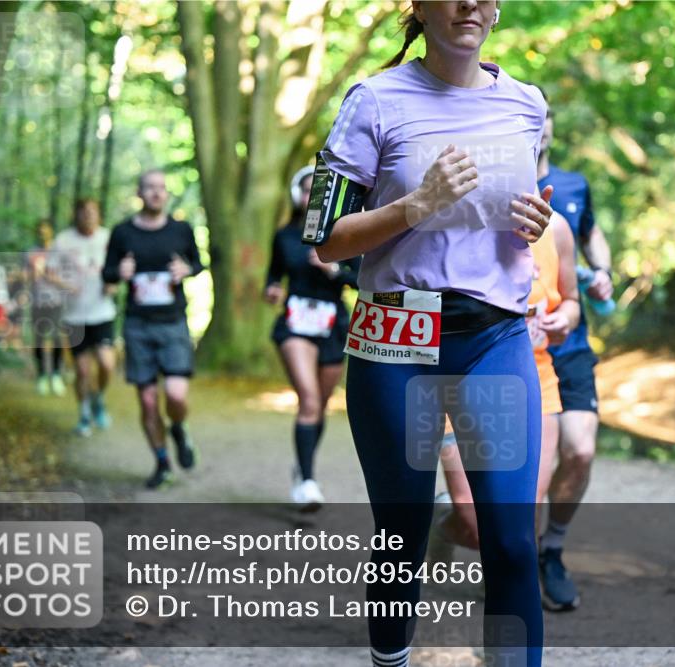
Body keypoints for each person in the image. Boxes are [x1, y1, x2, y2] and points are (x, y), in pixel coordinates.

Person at [308, 1, 552, 665]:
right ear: (418, 6)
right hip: (397, 334)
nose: (469, 3)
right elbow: (324, 237)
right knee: (403, 532)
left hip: (494, 336)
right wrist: (418, 204)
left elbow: (517, 217)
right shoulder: (373, 100)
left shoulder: (527, 105)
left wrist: (531, 225)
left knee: (511, 539)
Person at [431, 210, 580, 590]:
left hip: (536, 380)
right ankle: (443, 523)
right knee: (474, 522)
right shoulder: (460, 215)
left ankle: (508, 596)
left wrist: (565, 319)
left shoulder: (557, 228)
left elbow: (571, 300)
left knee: (520, 517)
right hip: (459, 381)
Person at [535, 95, 615, 612]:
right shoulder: (492, 185)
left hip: (572, 344)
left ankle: (552, 549)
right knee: (531, 474)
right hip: (517, 350)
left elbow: (592, 236)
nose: (538, 126)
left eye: (545, 116)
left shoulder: (573, 185)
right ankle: (512, 555)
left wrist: (603, 270)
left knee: (580, 451)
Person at [263, 166, 360, 511]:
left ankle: (302, 468)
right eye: (305, 190)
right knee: (308, 399)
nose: (310, 197)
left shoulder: (345, 234)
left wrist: (332, 269)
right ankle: (307, 480)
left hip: (332, 326)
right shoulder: (285, 236)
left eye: (316, 191)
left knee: (319, 404)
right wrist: (271, 290)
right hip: (295, 324)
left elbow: (361, 280)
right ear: (296, 196)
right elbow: (273, 276)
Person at [102, 169, 204, 489]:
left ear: (166, 193)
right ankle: (162, 462)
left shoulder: (181, 230)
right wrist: (119, 272)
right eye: (150, 188)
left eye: (161, 188)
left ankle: (179, 428)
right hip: (138, 325)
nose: (157, 193)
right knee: (147, 401)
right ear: (139, 193)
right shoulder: (122, 232)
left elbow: (198, 264)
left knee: (175, 394)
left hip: (173, 322)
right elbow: (106, 273)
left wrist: (187, 269)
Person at [54, 198, 118, 437]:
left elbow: (120, 269)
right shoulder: (63, 241)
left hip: (102, 313)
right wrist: (66, 286)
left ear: (99, 214)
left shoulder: (108, 238)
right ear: (76, 215)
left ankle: (98, 398)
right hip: (74, 317)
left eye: (92, 211)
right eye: (83, 212)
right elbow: (48, 272)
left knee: (107, 364)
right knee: (82, 371)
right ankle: (83, 415)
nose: (88, 215)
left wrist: (113, 284)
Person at [26, 220, 66, 396]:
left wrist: (53, 278)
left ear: (51, 232)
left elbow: (68, 278)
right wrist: (30, 274)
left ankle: (56, 374)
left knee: (57, 337)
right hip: (37, 302)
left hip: (56, 302)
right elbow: (24, 276)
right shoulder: (30, 252)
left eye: (45, 230)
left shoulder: (60, 252)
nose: (42, 234)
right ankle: (42, 375)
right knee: (39, 339)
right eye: (40, 231)